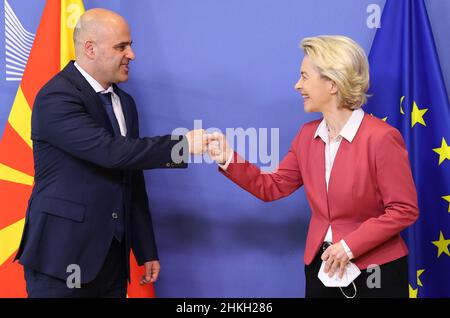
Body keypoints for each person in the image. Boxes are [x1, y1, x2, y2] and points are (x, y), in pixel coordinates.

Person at [207, 35, 419, 298]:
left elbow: (403, 209)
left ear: (332, 83)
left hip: (376, 272)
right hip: (321, 269)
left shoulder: (381, 138)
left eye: (304, 76)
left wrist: (350, 246)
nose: (297, 85)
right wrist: (228, 157)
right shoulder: (306, 136)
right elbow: (271, 187)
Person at [15, 8, 206, 298]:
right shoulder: (57, 97)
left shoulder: (125, 103)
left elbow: (131, 176)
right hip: (60, 261)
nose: (132, 55)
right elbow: (111, 152)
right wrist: (182, 146)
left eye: (130, 45)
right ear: (90, 49)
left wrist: (145, 248)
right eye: (121, 46)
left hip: (111, 265)